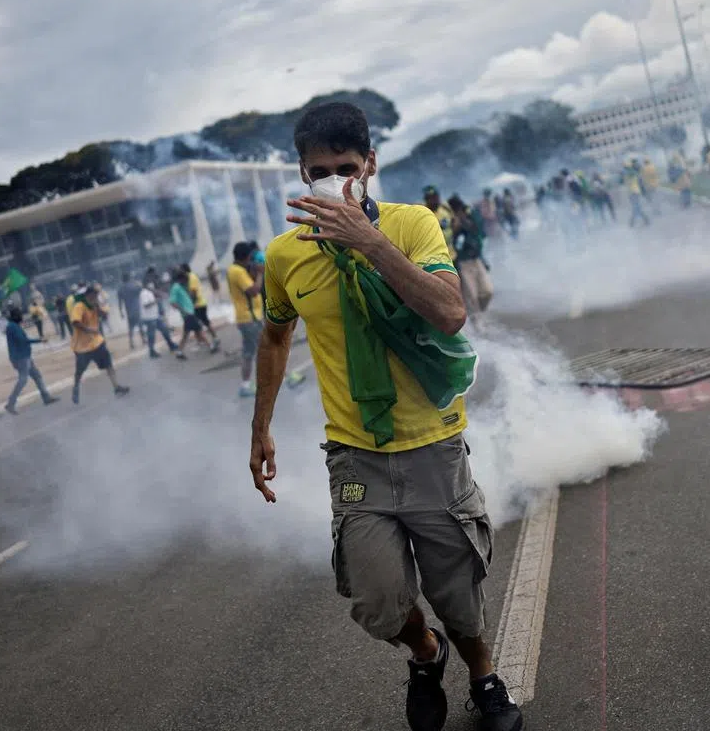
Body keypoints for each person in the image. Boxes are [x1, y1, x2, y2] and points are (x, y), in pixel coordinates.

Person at [253, 101, 522, 731]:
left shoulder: (412, 225)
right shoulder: (285, 257)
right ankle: (425, 655)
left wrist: (367, 241)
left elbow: (450, 312)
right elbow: (273, 337)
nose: (334, 180)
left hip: (432, 443)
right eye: (319, 171)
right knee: (376, 600)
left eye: (346, 167)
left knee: (457, 590)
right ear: (301, 175)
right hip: (355, 454)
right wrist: (260, 426)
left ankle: (484, 681)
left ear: (370, 164)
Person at [70, 284, 129, 404]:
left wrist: (98, 307)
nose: (94, 298)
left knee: (108, 364)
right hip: (82, 347)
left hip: (97, 342)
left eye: (96, 296)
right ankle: (76, 387)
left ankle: (116, 387)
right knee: (80, 371)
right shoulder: (79, 306)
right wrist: (89, 330)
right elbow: (76, 322)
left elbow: (105, 315)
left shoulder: (95, 305)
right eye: (92, 296)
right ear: (87, 296)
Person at [4, 306, 58, 415]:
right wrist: (40, 340)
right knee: (23, 380)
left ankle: (46, 397)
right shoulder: (13, 327)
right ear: (15, 316)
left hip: (24, 356)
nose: (21, 317)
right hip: (21, 358)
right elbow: (23, 340)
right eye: (19, 315)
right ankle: (11, 403)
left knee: (37, 376)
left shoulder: (13, 326)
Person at [447, 195, 493, 320]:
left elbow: (478, 232)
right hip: (463, 263)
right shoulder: (451, 221)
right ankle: (477, 323)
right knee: (471, 296)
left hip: (477, 260)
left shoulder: (470, 216)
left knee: (487, 292)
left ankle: (480, 314)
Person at [228, 242, 265, 398]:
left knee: (249, 353)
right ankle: (282, 378)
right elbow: (254, 291)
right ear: (246, 256)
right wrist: (261, 273)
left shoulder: (235, 270)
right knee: (266, 350)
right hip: (250, 319)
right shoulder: (237, 271)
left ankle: (245, 386)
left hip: (247, 318)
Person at [182, 265, 221, 353]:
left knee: (198, 325)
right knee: (205, 322)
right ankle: (213, 338)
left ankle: (204, 342)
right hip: (201, 303)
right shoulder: (193, 275)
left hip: (197, 305)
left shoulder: (191, 277)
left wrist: (190, 304)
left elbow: (193, 292)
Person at [167, 268, 203, 361]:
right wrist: (183, 310)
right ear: (181, 279)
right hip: (187, 314)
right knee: (197, 330)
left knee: (188, 333)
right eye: (185, 279)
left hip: (189, 313)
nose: (186, 281)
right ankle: (210, 345)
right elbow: (172, 302)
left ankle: (179, 351)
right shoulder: (176, 287)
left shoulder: (180, 286)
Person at [139, 280, 177, 359]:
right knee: (151, 335)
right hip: (149, 318)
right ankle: (152, 351)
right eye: (150, 286)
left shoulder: (149, 293)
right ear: (146, 286)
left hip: (155, 316)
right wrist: (156, 301)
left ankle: (171, 345)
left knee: (165, 330)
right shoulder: (144, 294)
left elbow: (160, 294)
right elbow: (146, 305)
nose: (152, 287)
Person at [423, 186, 456, 261]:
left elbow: (454, 221)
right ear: (426, 199)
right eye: (431, 198)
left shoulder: (445, 208)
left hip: (451, 253)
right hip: (437, 258)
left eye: (436, 197)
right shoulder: (423, 213)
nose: (435, 200)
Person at [117, 273, 143, 350]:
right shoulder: (133, 286)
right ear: (129, 278)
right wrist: (135, 282)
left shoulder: (121, 289)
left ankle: (131, 343)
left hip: (129, 311)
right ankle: (144, 339)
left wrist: (121, 312)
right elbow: (141, 288)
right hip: (136, 309)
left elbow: (120, 302)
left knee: (131, 328)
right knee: (140, 325)